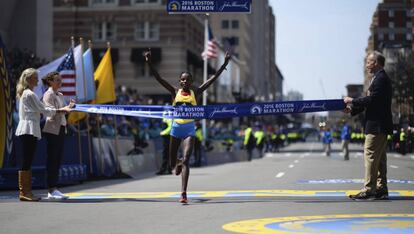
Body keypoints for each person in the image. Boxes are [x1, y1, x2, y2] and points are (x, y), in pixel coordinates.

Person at [144, 49, 231, 203]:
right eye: (182, 79)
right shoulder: (174, 92)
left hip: (189, 129)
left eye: (187, 80)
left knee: (186, 160)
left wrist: (224, 63)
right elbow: (158, 77)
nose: (185, 82)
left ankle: (183, 193)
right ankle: (176, 163)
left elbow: (212, 79)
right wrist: (149, 62)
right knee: (173, 164)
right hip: (176, 129)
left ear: (191, 82)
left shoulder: (195, 92)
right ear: (179, 81)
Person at [15, 68, 73, 201]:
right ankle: (25, 192)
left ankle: (26, 191)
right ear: (29, 79)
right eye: (35, 77)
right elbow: (44, 110)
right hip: (28, 128)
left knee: (28, 160)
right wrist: (60, 110)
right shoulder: (29, 94)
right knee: (27, 161)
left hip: (31, 128)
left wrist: (63, 109)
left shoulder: (29, 93)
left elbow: (44, 110)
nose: (37, 80)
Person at [344, 51, 393, 200]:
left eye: (368, 62)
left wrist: (352, 100)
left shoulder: (380, 79)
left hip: (377, 126)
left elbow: (371, 100)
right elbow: (371, 102)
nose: (366, 65)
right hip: (379, 124)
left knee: (371, 156)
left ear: (376, 63)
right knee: (380, 159)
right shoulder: (377, 79)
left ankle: (369, 190)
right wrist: (352, 110)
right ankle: (381, 188)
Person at [42, 71, 74, 199]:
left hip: (61, 128)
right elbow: (49, 111)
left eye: (60, 80)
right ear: (50, 82)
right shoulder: (48, 94)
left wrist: (69, 107)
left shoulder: (59, 94)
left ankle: (54, 188)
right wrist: (64, 109)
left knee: (58, 159)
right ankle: (51, 189)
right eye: (57, 80)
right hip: (52, 129)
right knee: (52, 159)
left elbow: (62, 111)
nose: (60, 82)